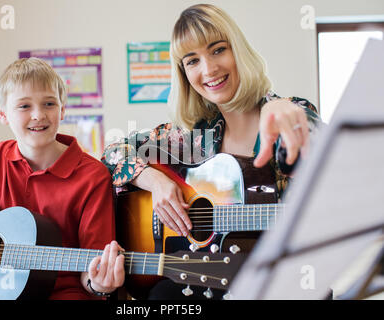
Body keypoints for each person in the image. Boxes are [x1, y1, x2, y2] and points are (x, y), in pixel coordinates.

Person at [102, 4, 321, 299]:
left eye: (218, 50)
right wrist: (156, 183)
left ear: (238, 50)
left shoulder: (289, 112)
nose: (208, 70)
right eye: (192, 61)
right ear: (184, 74)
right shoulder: (193, 137)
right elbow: (113, 153)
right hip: (219, 279)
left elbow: (324, 146)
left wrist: (289, 113)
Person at [0, 57, 125, 300]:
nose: (38, 115)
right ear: (2, 113)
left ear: (63, 109)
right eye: (24, 106)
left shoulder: (93, 176)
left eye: (49, 104)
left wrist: (100, 284)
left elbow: (93, 271)